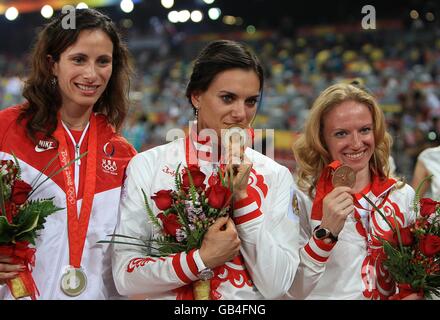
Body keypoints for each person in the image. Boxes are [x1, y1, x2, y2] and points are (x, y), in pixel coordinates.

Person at [112, 40, 300, 300]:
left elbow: (277, 284)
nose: (241, 113)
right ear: (196, 96)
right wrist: (201, 259)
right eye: (228, 98)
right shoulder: (148, 165)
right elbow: (125, 277)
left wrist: (243, 200)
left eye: (251, 101)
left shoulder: (276, 175)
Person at [0, 9, 136, 299]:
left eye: (103, 61)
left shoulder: (124, 155)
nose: (91, 74)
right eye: (78, 59)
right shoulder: (6, 130)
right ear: (52, 64)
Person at [289, 82, 417, 299]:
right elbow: (291, 291)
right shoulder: (300, 197)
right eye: (341, 134)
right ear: (321, 139)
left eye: (365, 130)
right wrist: (325, 234)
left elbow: (414, 276)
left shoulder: (402, 195)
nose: (357, 143)